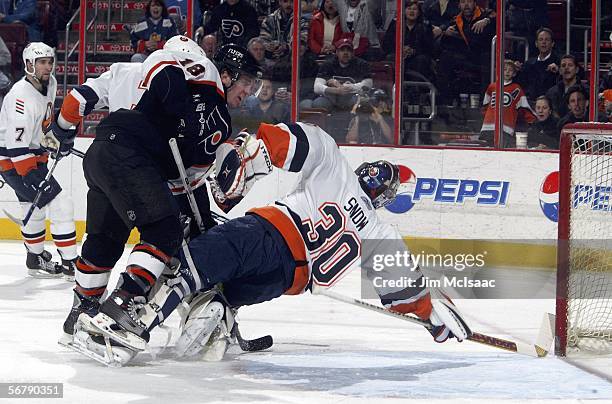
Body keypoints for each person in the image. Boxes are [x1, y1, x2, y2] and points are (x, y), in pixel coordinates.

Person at [74, 121, 472, 364]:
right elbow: (403, 293)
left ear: (366, 172)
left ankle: (132, 325)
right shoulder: (380, 230)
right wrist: (430, 317)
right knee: (224, 294)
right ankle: (217, 317)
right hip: (286, 280)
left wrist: (249, 153)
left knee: (189, 265)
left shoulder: (339, 169)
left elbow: (291, 141)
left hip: (267, 234)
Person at [55, 39, 263, 343]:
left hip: (104, 153)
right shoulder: (205, 76)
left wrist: (61, 128)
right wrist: (180, 109)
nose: (248, 93)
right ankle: (122, 305)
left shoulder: (213, 116)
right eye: (246, 82)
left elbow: (189, 177)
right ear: (228, 74)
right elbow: (161, 60)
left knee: (106, 240)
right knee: (165, 233)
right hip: (130, 155)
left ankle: (82, 311)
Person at [0, 42, 77, 279]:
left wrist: (56, 140)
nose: (47, 67)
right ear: (28, 65)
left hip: (32, 155)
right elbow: (15, 145)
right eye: (41, 62)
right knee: (61, 203)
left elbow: (44, 122)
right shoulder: (20, 98)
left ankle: (34, 258)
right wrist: (29, 172)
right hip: (14, 161)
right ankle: (71, 262)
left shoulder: (50, 84)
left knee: (32, 209)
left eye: (50, 62)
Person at [436, 0, 495, 104]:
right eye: (463, 2)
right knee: (446, 58)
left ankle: (484, 102)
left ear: (475, 3)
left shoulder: (486, 14)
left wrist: (487, 20)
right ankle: (446, 101)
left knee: (486, 59)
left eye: (469, 2)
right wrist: (446, 33)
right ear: (459, 5)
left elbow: (503, 19)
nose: (466, 5)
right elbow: (444, 38)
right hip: (466, 57)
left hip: (483, 56)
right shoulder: (456, 20)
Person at [479, 60, 535, 148]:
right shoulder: (492, 87)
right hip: (487, 128)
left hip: (506, 130)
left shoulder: (516, 89)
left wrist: (533, 121)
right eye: (504, 69)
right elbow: (485, 106)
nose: (507, 72)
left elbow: (525, 108)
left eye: (510, 70)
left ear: (514, 74)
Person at [312, 37, 373, 113]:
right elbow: (317, 87)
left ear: (353, 53)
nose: (345, 53)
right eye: (342, 50)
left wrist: (349, 87)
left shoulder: (362, 64)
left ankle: (354, 123)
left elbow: (368, 85)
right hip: (333, 98)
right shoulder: (328, 64)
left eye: (348, 50)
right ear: (337, 52)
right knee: (318, 103)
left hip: (352, 97)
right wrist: (336, 90)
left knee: (362, 102)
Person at [382, 0, 434, 80]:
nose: (411, 11)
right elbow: (386, 43)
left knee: (421, 60)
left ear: (419, 12)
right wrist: (400, 49)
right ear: (404, 10)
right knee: (390, 58)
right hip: (398, 54)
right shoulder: (395, 24)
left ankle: (416, 89)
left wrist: (413, 51)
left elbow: (429, 47)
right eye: (409, 8)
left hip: (417, 56)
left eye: (414, 9)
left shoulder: (425, 26)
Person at [515, 28, 560, 101]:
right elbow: (520, 84)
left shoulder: (559, 62)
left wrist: (559, 71)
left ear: (552, 44)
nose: (544, 42)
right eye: (541, 39)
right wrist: (516, 71)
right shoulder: (529, 63)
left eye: (547, 40)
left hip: (549, 104)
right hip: (530, 103)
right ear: (536, 44)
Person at [545, 54, 588, 119]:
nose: (566, 68)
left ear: (576, 69)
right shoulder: (551, 92)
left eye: (570, 65)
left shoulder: (585, 90)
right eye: (563, 65)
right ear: (560, 70)